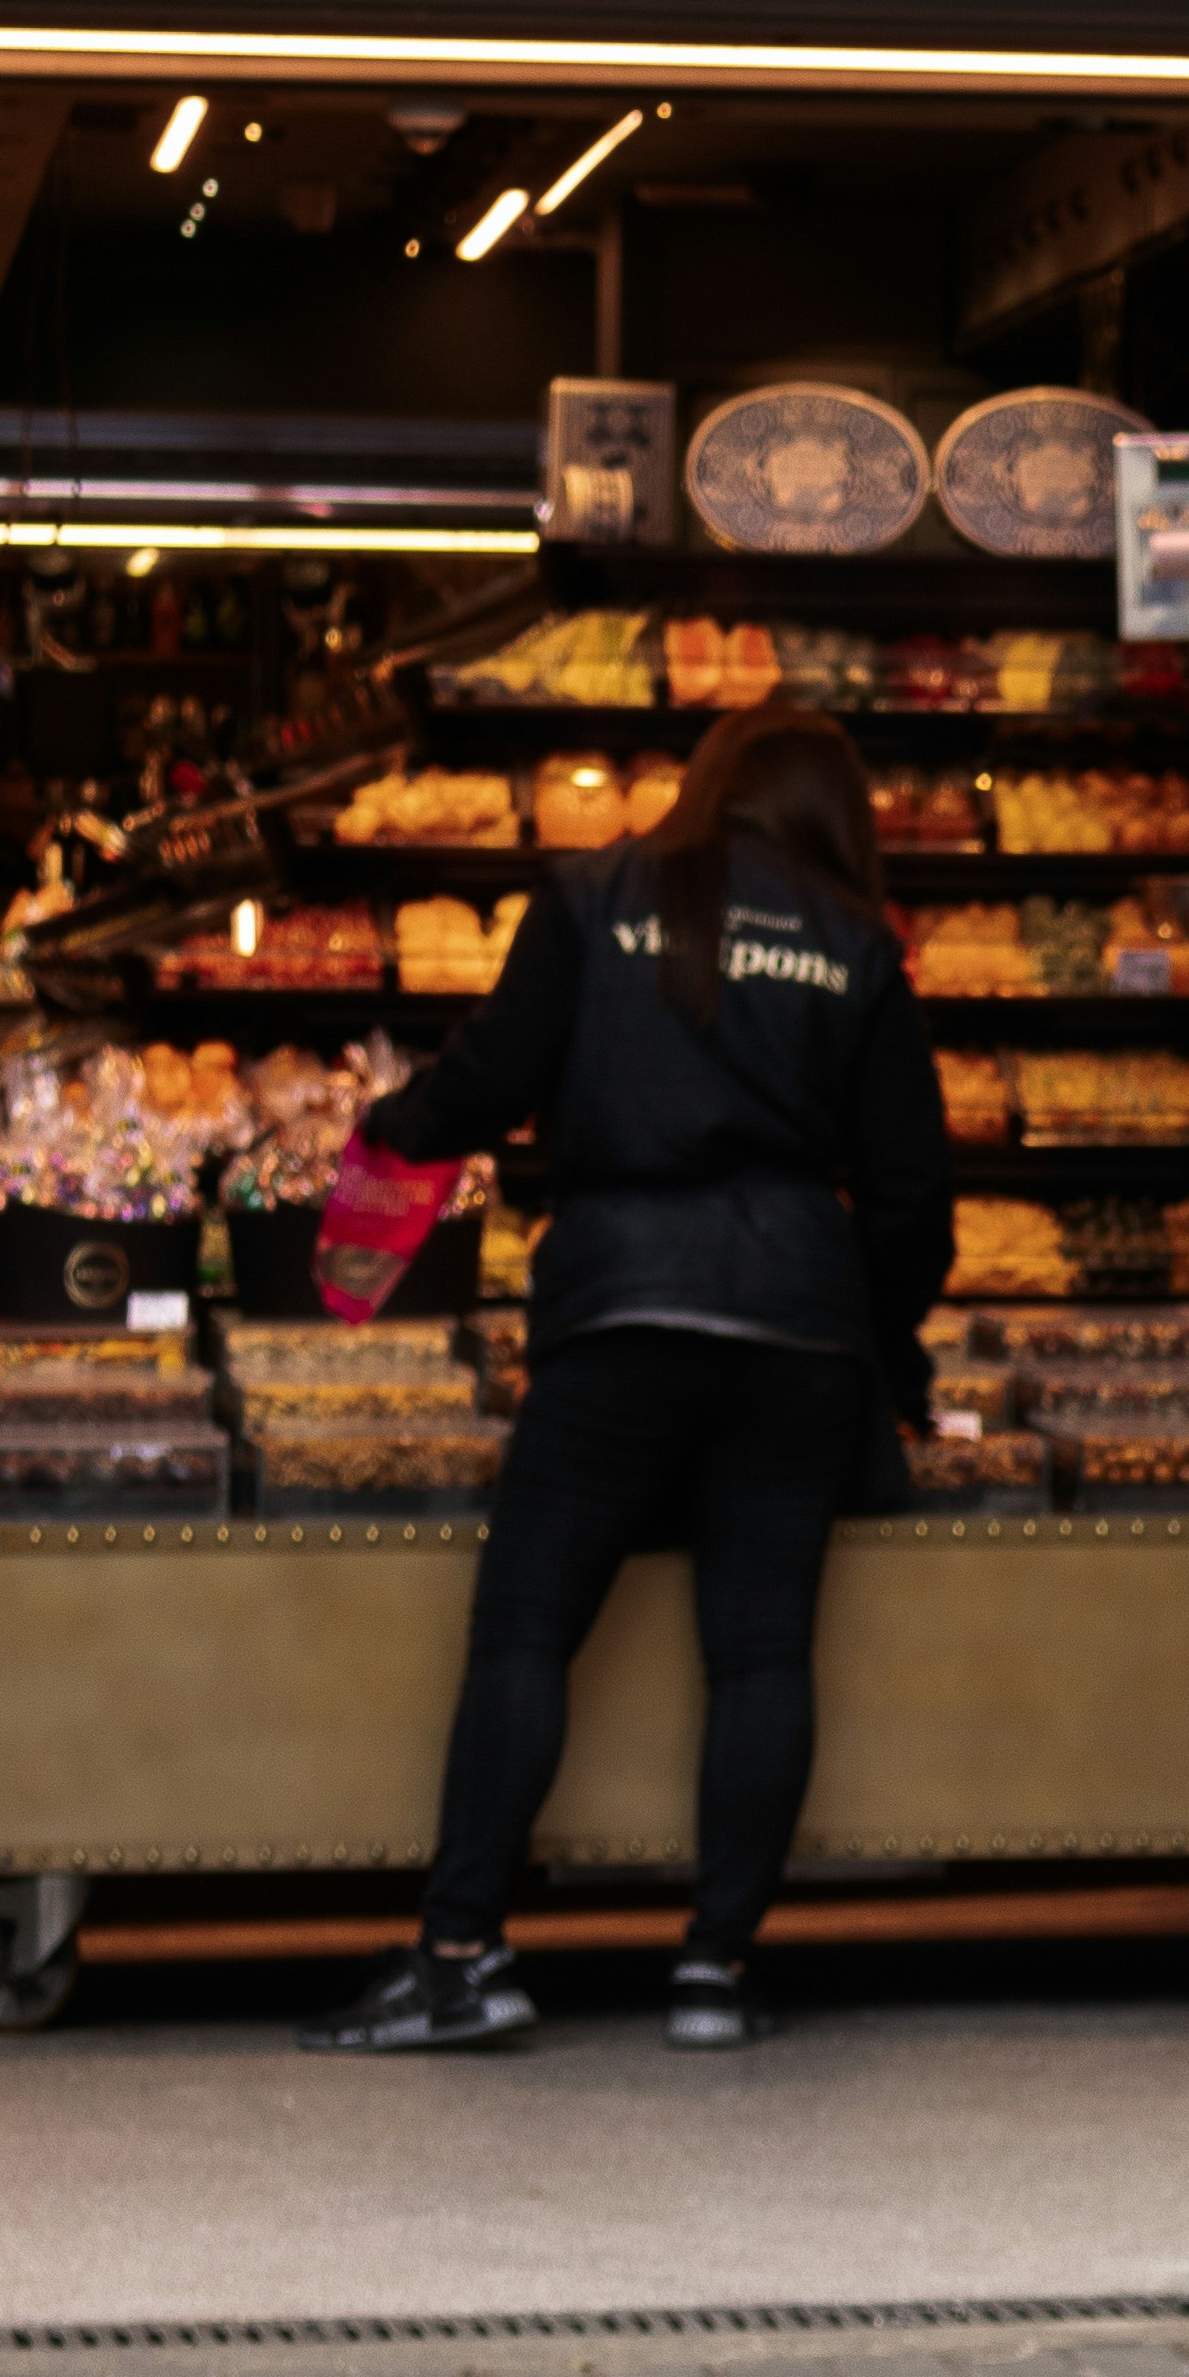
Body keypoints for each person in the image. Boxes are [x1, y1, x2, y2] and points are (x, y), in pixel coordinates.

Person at [305, 705, 953, 2056]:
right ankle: (714, 1970)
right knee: (762, 1648)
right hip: (793, 1327)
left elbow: (485, 1081)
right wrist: (884, 1357)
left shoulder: (591, 896)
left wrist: (383, 1143)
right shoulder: (856, 943)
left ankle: (460, 1957)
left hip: (617, 1308)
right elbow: (910, 1203)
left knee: (529, 1626)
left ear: (702, 790)